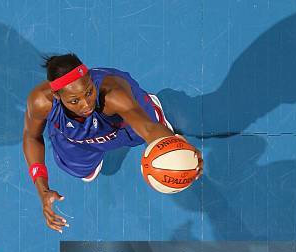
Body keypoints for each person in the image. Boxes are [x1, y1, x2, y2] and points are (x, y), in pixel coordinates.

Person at [23, 53, 203, 232]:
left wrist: (174, 145)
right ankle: (92, 144)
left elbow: (148, 129)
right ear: (56, 95)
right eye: (74, 101)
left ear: (91, 81)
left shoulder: (113, 94)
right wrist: (42, 190)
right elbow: (31, 137)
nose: (86, 104)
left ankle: (151, 106)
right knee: (80, 170)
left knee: (150, 133)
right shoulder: (40, 102)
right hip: (79, 137)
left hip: (123, 123)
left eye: (89, 92)